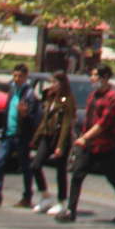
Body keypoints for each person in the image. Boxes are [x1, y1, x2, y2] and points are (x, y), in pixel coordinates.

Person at [58, 64, 115, 224]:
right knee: (77, 174)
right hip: (89, 145)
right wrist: (82, 136)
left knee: (113, 177)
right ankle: (71, 210)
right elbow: (89, 120)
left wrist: (85, 137)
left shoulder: (113, 98)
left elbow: (104, 123)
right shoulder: (93, 95)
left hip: (106, 146)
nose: (92, 78)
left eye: (95, 75)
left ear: (104, 78)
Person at [0, 63, 39, 207]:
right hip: (8, 134)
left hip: (21, 135)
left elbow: (34, 118)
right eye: (14, 75)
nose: (16, 79)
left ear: (26, 77)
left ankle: (27, 197)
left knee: (25, 166)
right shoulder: (12, 90)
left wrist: (24, 114)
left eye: (20, 76)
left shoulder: (29, 94)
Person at [30, 72, 77, 216]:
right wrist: (35, 139)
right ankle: (45, 196)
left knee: (60, 170)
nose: (52, 85)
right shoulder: (50, 97)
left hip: (60, 138)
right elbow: (45, 120)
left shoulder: (67, 100)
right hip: (47, 136)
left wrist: (60, 146)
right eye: (51, 82)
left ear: (62, 83)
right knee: (35, 165)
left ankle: (62, 202)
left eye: (55, 82)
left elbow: (66, 124)